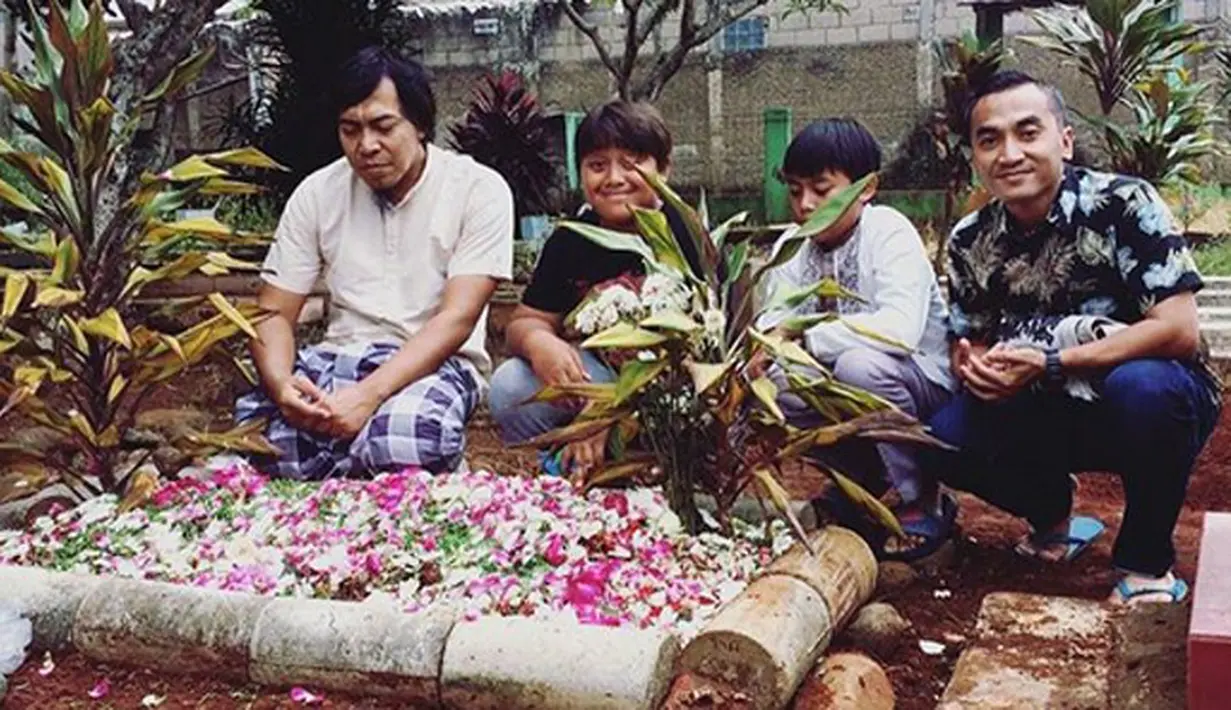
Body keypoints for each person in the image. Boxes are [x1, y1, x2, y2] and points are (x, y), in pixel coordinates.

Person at [924, 69, 1221, 604]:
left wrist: (1056, 362)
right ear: (974, 155)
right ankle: (1051, 513)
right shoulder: (971, 239)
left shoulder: (1124, 205)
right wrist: (979, 367)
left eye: (1027, 132)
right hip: (1042, 401)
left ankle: (1145, 563)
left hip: (1148, 398)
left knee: (1147, 392)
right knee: (944, 437)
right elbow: (969, 337)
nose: (1009, 153)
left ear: (1063, 139)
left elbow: (1177, 331)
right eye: (989, 140)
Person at [235, 46, 514, 479]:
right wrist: (282, 385)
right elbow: (272, 311)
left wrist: (367, 396)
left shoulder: (478, 189)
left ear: (420, 125)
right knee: (260, 438)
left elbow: (457, 319)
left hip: (433, 363)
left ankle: (370, 457)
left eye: (384, 127)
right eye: (350, 130)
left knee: (407, 439)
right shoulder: (318, 192)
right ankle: (356, 462)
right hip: (335, 359)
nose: (366, 146)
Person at [759, 118, 956, 560]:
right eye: (794, 190)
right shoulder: (793, 245)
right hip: (842, 385)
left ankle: (923, 497)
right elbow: (774, 325)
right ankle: (861, 480)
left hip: (921, 383)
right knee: (773, 385)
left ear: (866, 187)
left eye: (821, 189)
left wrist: (804, 339)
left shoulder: (888, 231)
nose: (805, 205)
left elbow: (901, 331)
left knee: (858, 366)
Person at [488, 100, 702, 476]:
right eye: (597, 165)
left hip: (670, 383)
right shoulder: (571, 240)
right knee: (510, 387)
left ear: (663, 169)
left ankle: (670, 473)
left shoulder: (687, 235)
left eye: (633, 162)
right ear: (580, 172)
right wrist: (543, 344)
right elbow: (524, 323)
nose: (614, 178)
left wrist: (611, 410)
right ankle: (569, 471)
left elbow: (711, 347)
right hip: (594, 379)